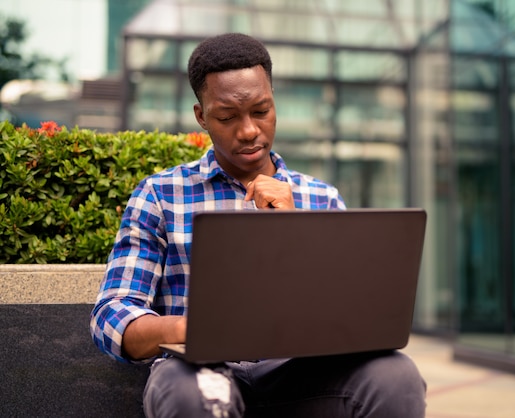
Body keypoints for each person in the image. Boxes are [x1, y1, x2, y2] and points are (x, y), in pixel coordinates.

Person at [90, 32, 427, 418]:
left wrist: (295, 231)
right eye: (228, 117)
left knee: (395, 375)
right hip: (202, 372)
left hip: (299, 376)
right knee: (188, 390)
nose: (249, 130)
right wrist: (189, 330)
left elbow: (346, 315)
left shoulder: (322, 199)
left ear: (274, 103)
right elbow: (111, 314)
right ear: (202, 116)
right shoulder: (161, 196)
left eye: (261, 111)